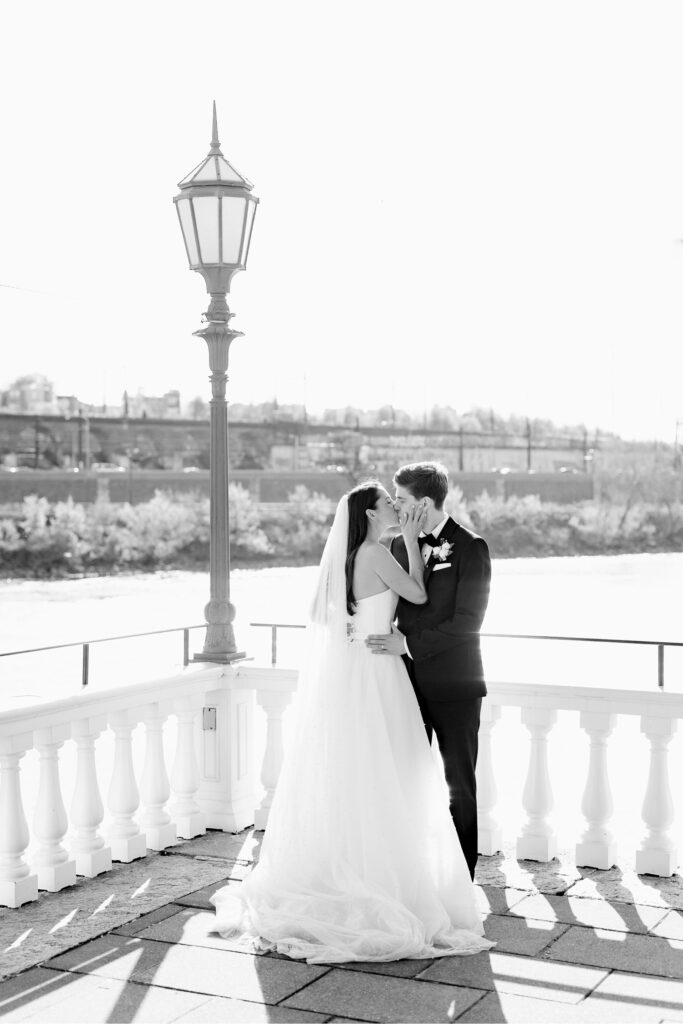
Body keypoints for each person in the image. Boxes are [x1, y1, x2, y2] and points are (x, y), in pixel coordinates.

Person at [211, 480, 493, 964]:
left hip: (363, 672)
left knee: (367, 778)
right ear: (369, 513)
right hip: (382, 674)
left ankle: (379, 871)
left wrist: (361, 629)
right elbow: (420, 596)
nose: (395, 507)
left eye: (399, 500)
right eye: (389, 503)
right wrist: (406, 544)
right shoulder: (379, 552)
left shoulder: (352, 557)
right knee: (393, 778)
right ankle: (391, 881)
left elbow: (322, 613)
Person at [367, 462, 491, 881]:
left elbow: (467, 622)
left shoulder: (471, 547)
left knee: (459, 784)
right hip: (405, 685)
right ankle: (412, 875)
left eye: (399, 500)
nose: (395, 506)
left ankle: (460, 879)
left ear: (423, 502)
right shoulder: (398, 546)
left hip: (456, 687)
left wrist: (410, 645)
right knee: (405, 779)